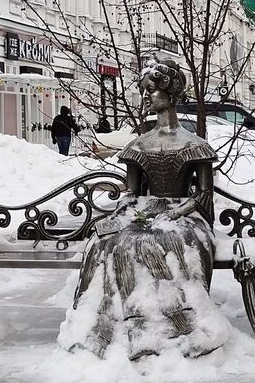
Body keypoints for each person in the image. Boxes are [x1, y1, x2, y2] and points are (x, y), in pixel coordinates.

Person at [58, 59, 229, 360]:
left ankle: (176, 327)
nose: (147, 97)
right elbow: (131, 193)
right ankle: (117, 329)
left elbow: (203, 196)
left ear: (171, 92)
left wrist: (175, 214)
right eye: (145, 91)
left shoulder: (195, 144)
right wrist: (120, 214)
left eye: (152, 90)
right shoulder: (139, 145)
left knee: (166, 240)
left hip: (186, 215)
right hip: (144, 210)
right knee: (113, 243)